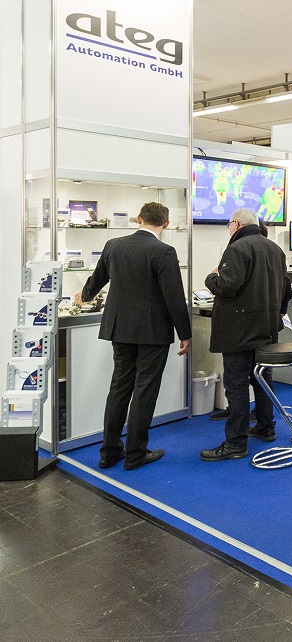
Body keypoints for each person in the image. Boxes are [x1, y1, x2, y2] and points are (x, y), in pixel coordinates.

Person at [75, 202, 191, 471]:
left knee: (119, 387)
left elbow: (97, 279)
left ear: (138, 219)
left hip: (120, 329)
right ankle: (136, 453)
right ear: (166, 224)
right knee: (144, 390)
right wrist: (184, 333)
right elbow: (174, 297)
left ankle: (109, 451)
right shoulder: (164, 251)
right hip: (153, 331)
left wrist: (85, 296)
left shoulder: (113, 245)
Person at [201, 208, 291, 461]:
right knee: (262, 379)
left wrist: (211, 277)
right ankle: (265, 427)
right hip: (266, 328)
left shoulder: (237, 248)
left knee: (236, 385)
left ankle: (235, 443)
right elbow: (286, 289)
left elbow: (226, 286)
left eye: (229, 224)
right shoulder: (275, 249)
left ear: (236, 224)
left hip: (238, 330)